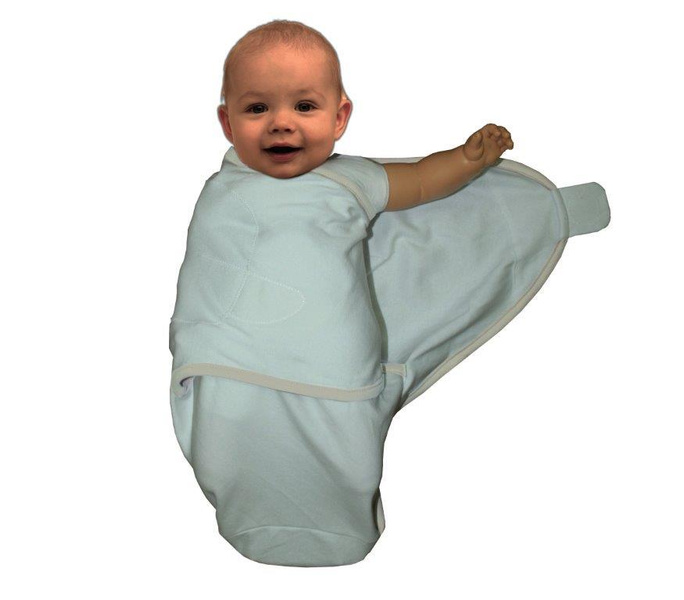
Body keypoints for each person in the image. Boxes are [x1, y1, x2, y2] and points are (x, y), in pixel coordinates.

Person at [217, 20, 513, 209]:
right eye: (257, 108)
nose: (281, 124)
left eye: (304, 107)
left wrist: (466, 159)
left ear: (338, 119)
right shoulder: (224, 186)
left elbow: (421, 181)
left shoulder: (348, 179)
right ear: (229, 125)